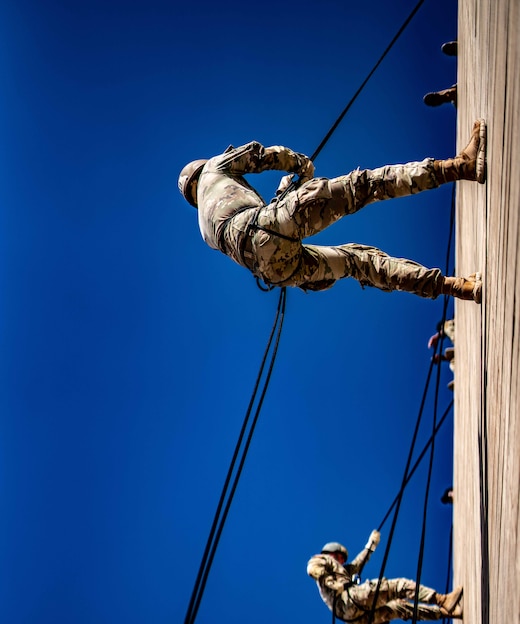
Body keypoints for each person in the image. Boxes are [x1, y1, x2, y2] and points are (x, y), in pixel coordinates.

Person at [178, 119, 486, 298]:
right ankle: (459, 167)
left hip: (274, 270)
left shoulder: (205, 229)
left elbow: (254, 238)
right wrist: (301, 165)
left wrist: (283, 195)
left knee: (357, 263)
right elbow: (259, 157)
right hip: (267, 227)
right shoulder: (214, 168)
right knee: (364, 187)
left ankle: (456, 288)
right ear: (200, 169)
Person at [307, 536, 463, 624]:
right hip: (350, 599)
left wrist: (370, 546)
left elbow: (356, 565)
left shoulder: (341, 571)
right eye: (341, 558)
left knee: (400, 608)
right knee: (398, 587)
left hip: (354, 619)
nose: (342, 562)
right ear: (333, 553)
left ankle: (446, 613)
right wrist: (330, 582)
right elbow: (312, 569)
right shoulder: (322, 559)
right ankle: (442, 600)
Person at [423, 41, 458, 108]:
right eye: (435, 99)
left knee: (445, 48)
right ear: (437, 104)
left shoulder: (460, 82)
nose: (442, 95)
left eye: (435, 95)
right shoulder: (462, 110)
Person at [429, 318, 455, 390]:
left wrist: (436, 337)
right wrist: (441, 358)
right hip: (462, 347)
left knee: (447, 327)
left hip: (461, 331)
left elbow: (446, 328)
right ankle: (460, 377)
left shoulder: (449, 324)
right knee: (452, 363)